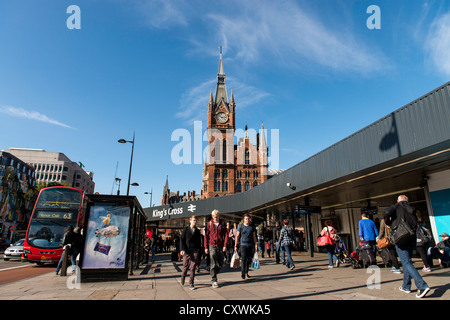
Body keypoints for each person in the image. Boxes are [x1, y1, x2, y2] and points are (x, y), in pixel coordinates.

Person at [384, 195, 430, 298]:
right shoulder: (411, 208)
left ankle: (422, 285)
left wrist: (388, 222)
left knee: (406, 262)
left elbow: (386, 212)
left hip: (401, 237)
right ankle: (406, 286)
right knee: (407, 261)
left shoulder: (396, 206)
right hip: (412, 237)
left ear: (398, 201)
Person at [204, 209, 228, 288]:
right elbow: (206, 236)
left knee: (220, 263)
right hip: (212, 245)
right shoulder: (209, 224)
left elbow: (226, 235)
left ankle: (214, 271)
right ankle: (214, 280)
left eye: (216, 217)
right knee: (213, 262)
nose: (215, 219)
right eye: (214, 217)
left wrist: (225, 245)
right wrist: (206, 247)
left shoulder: (222, 224)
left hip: (220, 245)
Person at [180, 215, 202, 290]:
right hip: (186, 250)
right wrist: (181, 249)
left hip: (194, 251)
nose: (195, 222)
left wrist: (199, 251)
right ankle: (183, 277)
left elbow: (199, 242)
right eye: (193, 220)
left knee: (192, 267)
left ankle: (191, 283)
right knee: (185, 266)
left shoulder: (197, 231)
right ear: (190, 221)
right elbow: (182, 240)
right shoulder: (186, 229)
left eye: (196, 220)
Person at [235, 214, 258, 279]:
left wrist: (256, 244)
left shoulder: (251, 227)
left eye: (248, 219)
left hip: (250, 245)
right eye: (246, 219)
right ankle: (243, 273)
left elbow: (254, 237)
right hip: (243, 245)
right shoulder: (241, 226)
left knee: (248, 259)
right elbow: (237, 236)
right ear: (243, 220)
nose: (247, 220)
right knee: (243, 259)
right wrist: (235, 245)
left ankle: (246, 271)